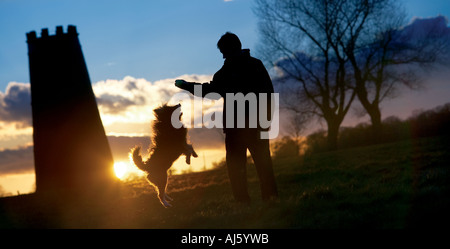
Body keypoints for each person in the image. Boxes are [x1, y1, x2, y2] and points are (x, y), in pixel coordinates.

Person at [175, 32, 278, 203]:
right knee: (245, 168)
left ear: (232, 49)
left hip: (250, 127)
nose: (222, 55)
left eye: (224, 51)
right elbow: (211, 92)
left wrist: (265, 122)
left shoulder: (248, 67)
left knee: (258, 167)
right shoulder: (230, 71)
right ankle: (254, 203)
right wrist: (188, 86)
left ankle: (264, 202)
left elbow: (268, 94)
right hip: (238, 129)